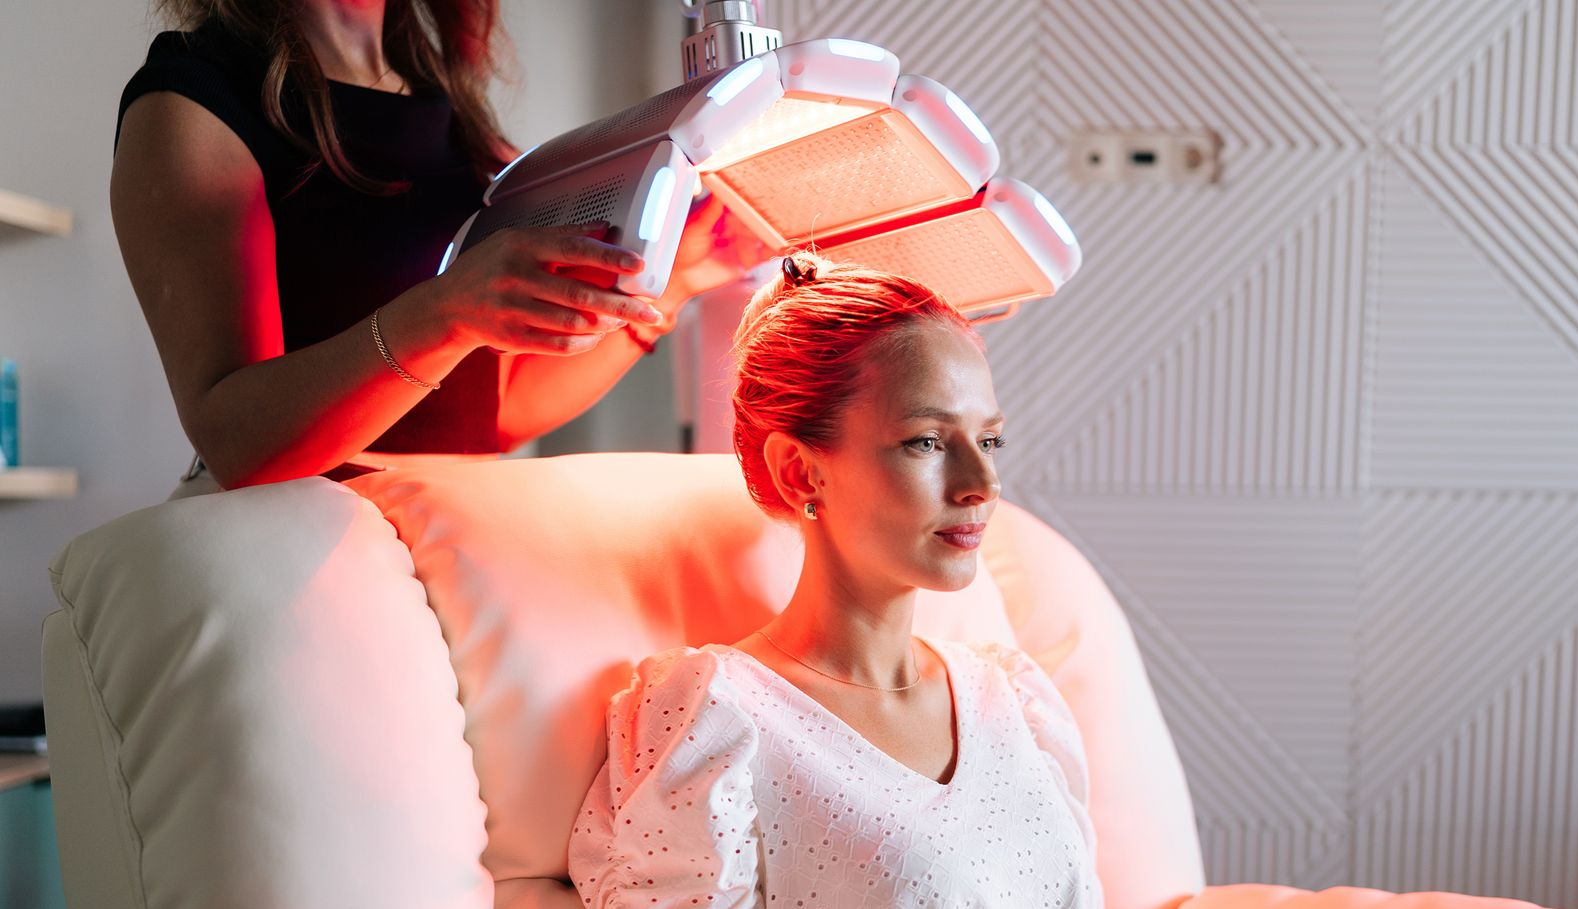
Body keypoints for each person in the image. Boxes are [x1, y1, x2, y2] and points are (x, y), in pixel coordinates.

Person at [566, 251, 1104, 907]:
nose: (981, 485)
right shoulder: (722, 717)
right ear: (799, 472)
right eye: (926, 441)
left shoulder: (1016, 699)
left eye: (988, 440)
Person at [110, 0, 767, 499]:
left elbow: (495, 414)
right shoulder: (192, 102)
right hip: (289, 545)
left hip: (442, 521)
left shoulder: (453, 116)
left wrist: (677, 279)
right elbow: (237, 441)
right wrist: (442, 315)